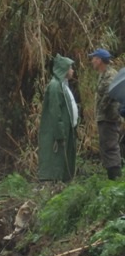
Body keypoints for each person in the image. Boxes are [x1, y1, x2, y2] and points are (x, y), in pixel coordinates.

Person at [38, 54, 79, 182]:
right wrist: (60, 132)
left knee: (65, 158)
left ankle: (65, 181)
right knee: (57, 158)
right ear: (64, 69)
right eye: (70, 68)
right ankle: (56, 182)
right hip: (60, 131)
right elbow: (55, 111)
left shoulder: (63, 85)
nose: (72, 70)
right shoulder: (55, 86)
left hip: (68, 128)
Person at [89, 48, 122, 179]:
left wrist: (100, 111)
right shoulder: (103, 74)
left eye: (93, 58)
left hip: (109, 118)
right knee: (106, 147)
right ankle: (112, 178)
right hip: (105, 118)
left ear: (99, 60)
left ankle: (115, 180)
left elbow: (109, 95)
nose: (92, 61)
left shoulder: (110, 75)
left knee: (110, 147)